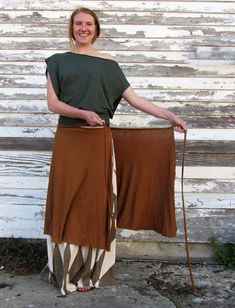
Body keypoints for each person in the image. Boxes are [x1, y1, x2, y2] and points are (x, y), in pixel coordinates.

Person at [40, 7, 187, 295]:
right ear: (71, 28)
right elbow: (53, 104)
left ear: (96, 29)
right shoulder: (57, 62)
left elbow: (135, 100)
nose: (84, 28)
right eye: (78, 23)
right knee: (67, 200)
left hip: (98, 142)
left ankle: (91, 273)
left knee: (95, 203)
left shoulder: (109, 64)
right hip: (69, 140)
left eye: (89, 24)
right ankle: (65, 271)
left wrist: (169, 116)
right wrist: (83, 113)